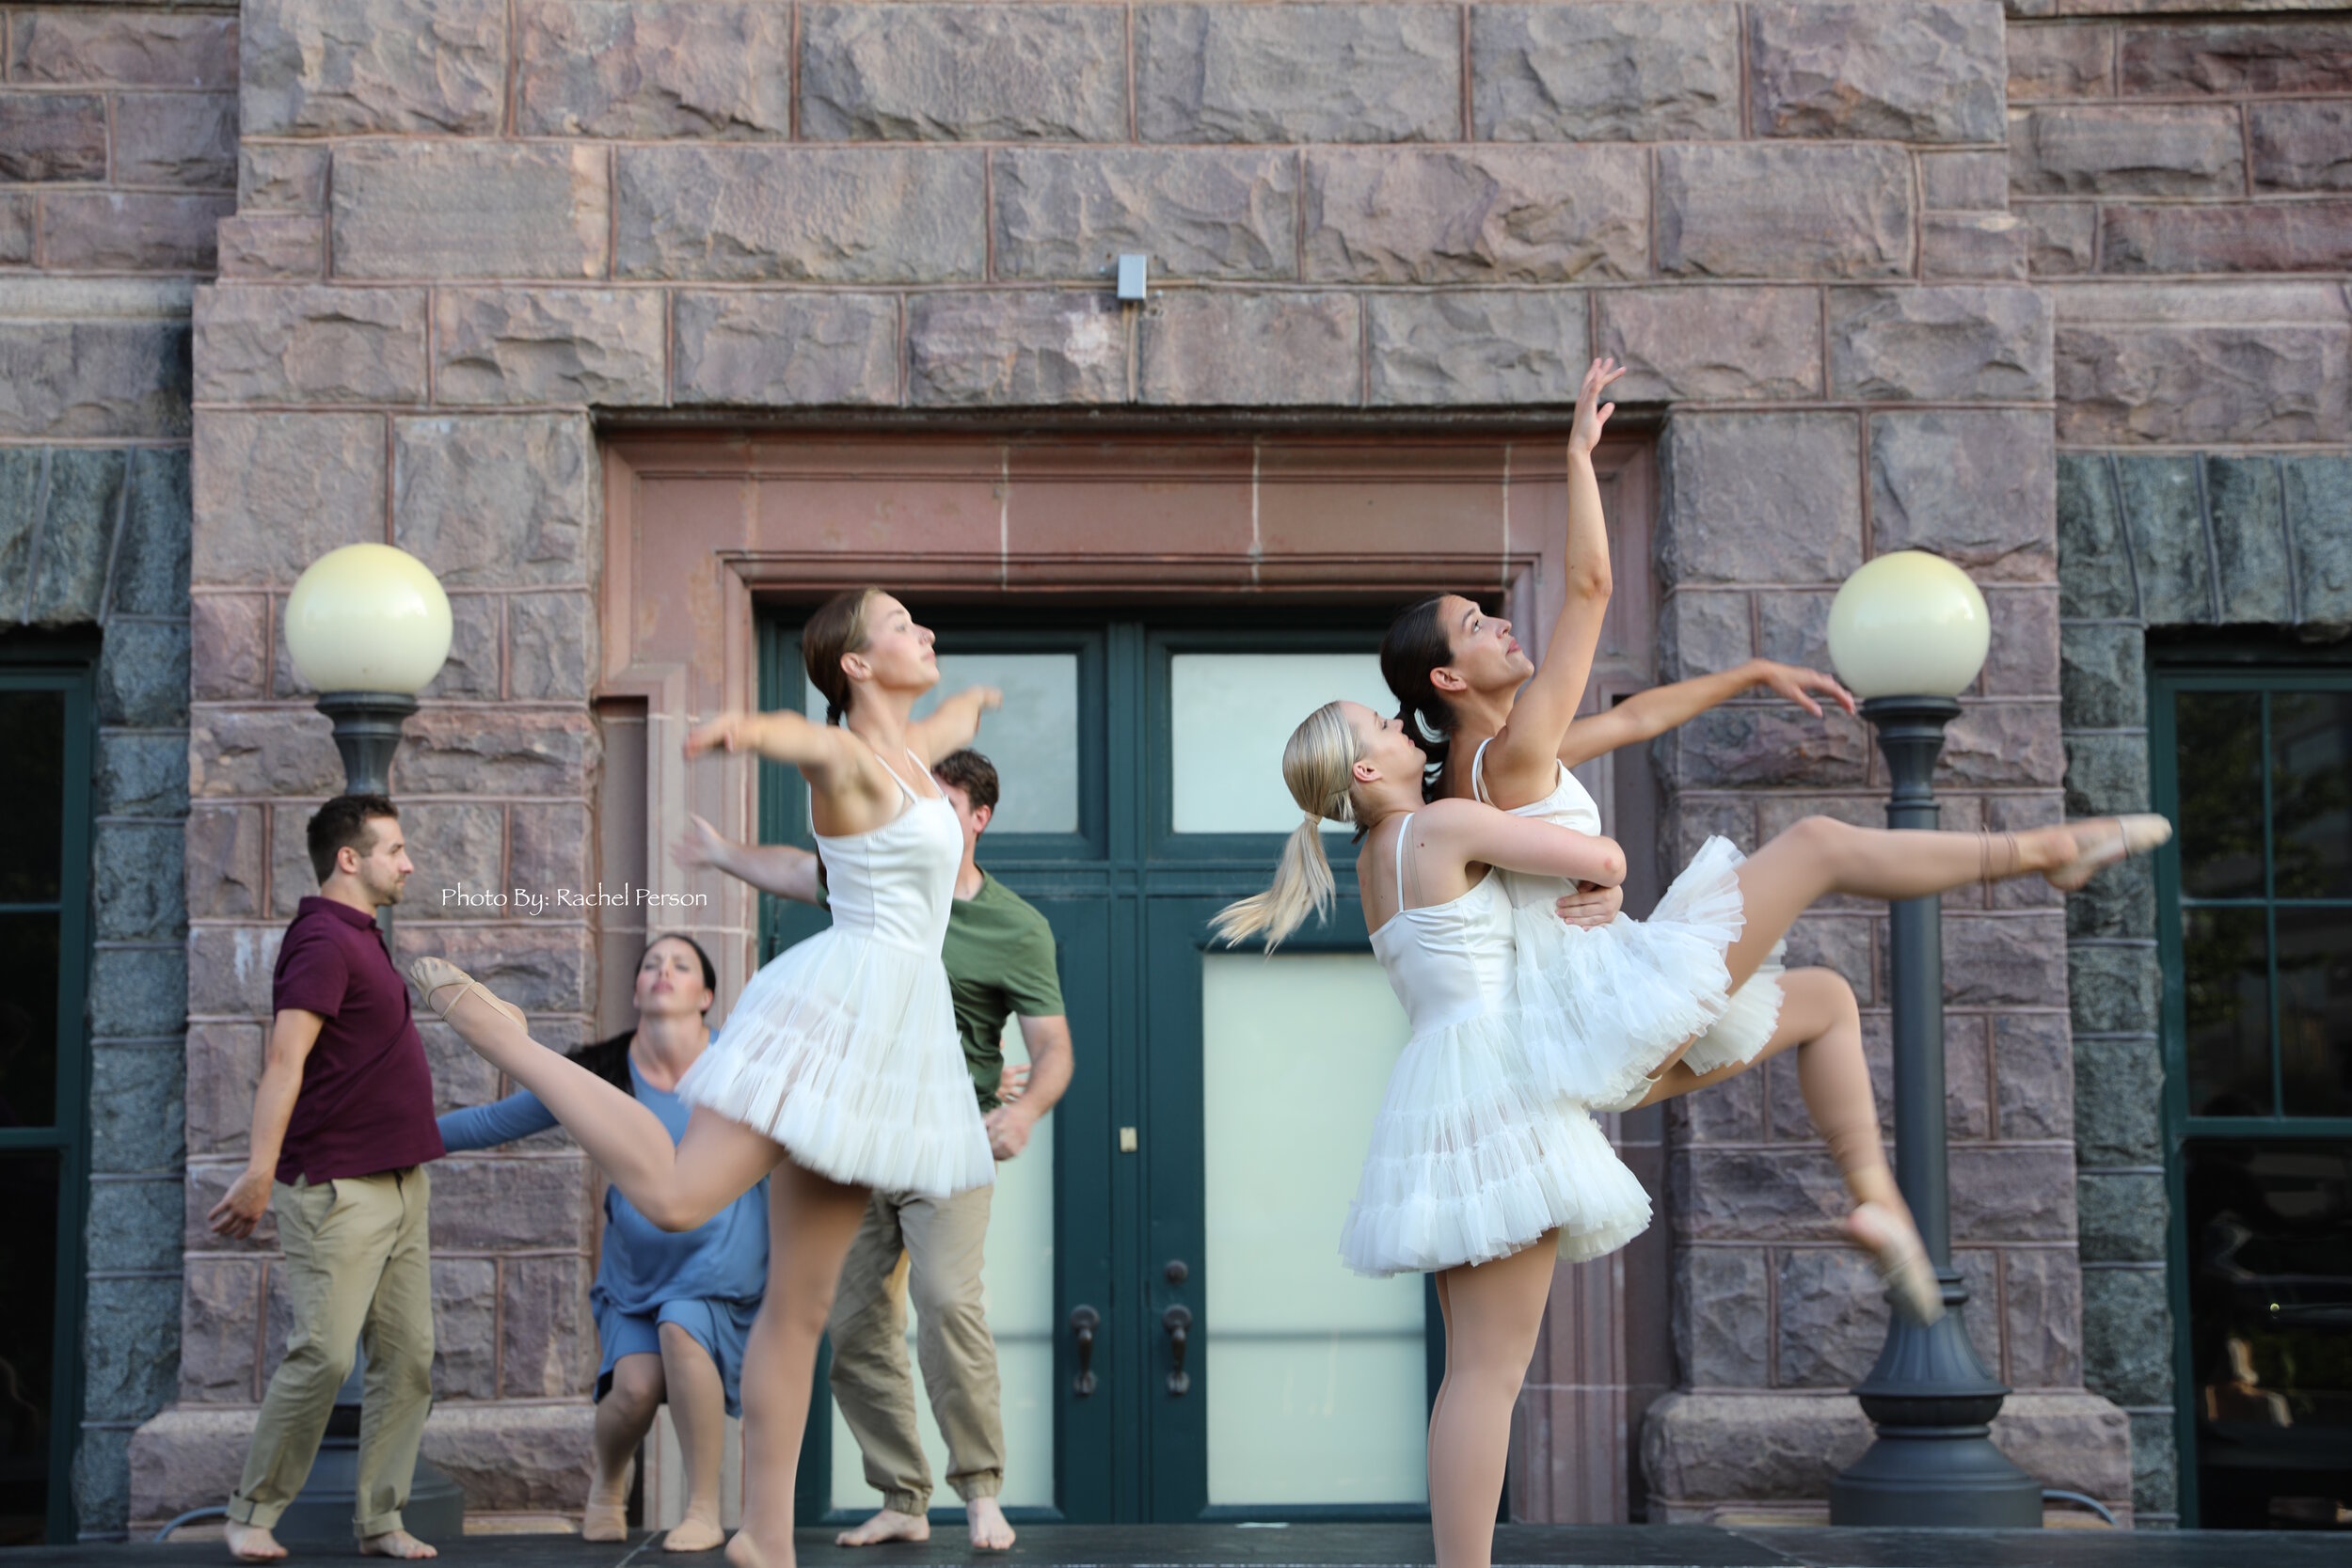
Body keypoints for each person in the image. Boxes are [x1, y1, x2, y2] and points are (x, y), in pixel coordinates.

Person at [1215, 701, 2164, 1568]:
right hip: (1532, 1073)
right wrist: (1596, 874)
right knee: (1487, 1376)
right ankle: (2041, 851)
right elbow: (1602, 860)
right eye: (1380, 727)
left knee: (1820, 1000)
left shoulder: (1379, 859)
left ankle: (1877, 1199)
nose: (1397, 727)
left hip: (1482, 1080)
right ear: (1366, 771)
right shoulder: (1441, 824)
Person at [406, 588, 998, 1568]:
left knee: (800, 1307)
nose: (926, 631)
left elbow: (932, 731)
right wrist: (745, 729)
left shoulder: (909, 758)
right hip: (835, 1013)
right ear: (855, 663)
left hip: (893, 1037)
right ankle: (514, 1044)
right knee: (680, 1195)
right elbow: (802, 741)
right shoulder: (846, 756)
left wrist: (970, 707)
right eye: (901, 624)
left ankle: (764, 1534)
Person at [675, 747, 1073, 1553]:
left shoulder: (1016, 927)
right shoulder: (884, 886)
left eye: (941, 806)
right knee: (852, 1321)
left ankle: (981, 1490)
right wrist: (720, 852)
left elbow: (1053, 1047)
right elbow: (798, 868)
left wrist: (1027, 1108)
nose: (918, 820)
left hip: (946, 1134)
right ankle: (902, 1495)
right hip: (855, 1132)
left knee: (948, 1300)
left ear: (978, 819)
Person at [435, 934, 764, 1552]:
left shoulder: (742, 1065)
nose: (663, 971)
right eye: (652, 964)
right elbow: (495, 1120)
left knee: (683, 1327)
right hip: (636, 1272)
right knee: (633, 1390)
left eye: (681, 965)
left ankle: (703, 1507)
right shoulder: (602, 1071)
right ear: (636, 989)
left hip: (719, 1267)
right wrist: (401, 1140)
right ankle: (609, 1482)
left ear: (707, 995)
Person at [207, 795, 444, 1563]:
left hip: (401, 1183)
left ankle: (381, 1519)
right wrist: (259, 1170)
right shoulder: (321, 940)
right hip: (340, 1186)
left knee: (408, 1357)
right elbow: (285, 1061)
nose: (408, 863)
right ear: (350, 857)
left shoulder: (362, 937)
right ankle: (251, 1512)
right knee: (325, 1354)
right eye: (395, 849)